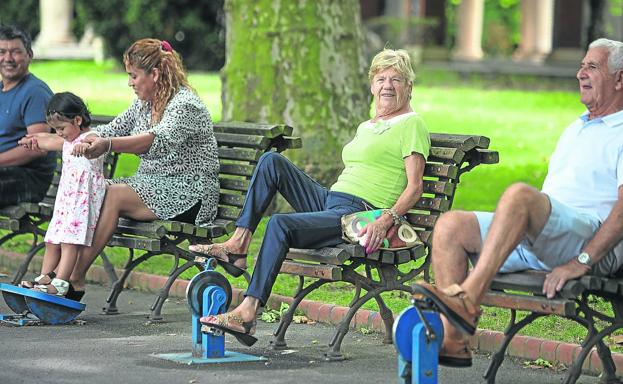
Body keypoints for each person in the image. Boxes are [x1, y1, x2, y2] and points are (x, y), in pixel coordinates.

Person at [190, 48, 431, 346]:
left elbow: (415, 187)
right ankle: (239, 244)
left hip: (357, 216)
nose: (387, 86)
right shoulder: (368, 126)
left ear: (408, 86)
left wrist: (386, 219)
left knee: (280, 224)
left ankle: (248, 312)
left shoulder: (412, 125)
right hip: (332, 202)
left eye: (396, 79)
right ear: (371, 85)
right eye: (381, 78)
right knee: (271, 162)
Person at [412, 38, 623, 368]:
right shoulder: (577, 126)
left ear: (620, 79)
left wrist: (582, 260)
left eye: (592, 67)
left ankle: (465, 301)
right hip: (547, 237)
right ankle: (455, 340)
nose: (581, 72)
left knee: (520, 196)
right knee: (450, 226)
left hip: (592, 241)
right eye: (581, 65)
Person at [65, 38, 219, 299]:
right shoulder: (145, 102)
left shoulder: (185, 105)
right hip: (154, 185)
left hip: (191, 192)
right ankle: (57, 272)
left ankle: (72, 277)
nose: (130, 82)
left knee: (113, 194)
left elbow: (156, 141)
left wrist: (108, 145)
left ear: (155, 74)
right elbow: (112, 129)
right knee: (92, 187)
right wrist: (84, 139)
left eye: (133, 76)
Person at [18, 92, 105, 299]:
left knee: (69, 242)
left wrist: (86, 146)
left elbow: (96, 140)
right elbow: (46, 140)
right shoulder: (67, 140)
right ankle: (45, 278)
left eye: (61, 128)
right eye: (56, 129)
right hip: (67, 200)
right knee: (53, 240)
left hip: (82, 201)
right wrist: (31, 140)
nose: (59, 133)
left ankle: (61, 283)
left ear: (77, 120)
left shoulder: (89, 137)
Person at [0, 25, 55, 207]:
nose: (8, 58)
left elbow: (37, 147)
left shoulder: (35, 92)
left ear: (29, 55)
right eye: (2, 52)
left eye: (15, 52)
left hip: (27, 178)